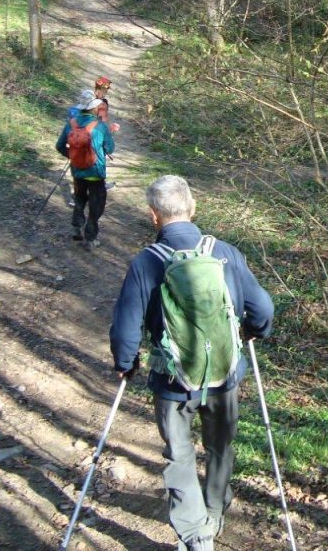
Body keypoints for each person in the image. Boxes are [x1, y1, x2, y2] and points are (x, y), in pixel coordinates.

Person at [109, 175, 275, 551]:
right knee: (221, 446)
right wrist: (253, 331)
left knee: (179, 454)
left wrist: (125, 362)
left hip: (172, 381)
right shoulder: (225, 253)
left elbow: (126, 326)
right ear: (193, 208)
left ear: (153, 215)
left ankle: (196, 535)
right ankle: (214, 511)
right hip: (224, 375)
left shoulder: (147, 263)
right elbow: (263, 308)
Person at [55, 97, 115, 248]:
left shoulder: (71, 124)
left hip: (77, 171)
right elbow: (110, 148)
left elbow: (59, 145)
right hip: (96, 173)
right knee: (96, 205)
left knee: (79, 199)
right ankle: (90, 238)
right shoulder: (100, 126)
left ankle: (77, 227)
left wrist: (73, 156)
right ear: (94, 108)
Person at [93, 76, 121, 191]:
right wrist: (110, 130)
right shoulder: (102, 104)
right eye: (105, 89)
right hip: (97, 136)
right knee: (100, 160)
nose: (106, 91)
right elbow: (102, 123)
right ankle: (100, 185)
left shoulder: (89, 99)